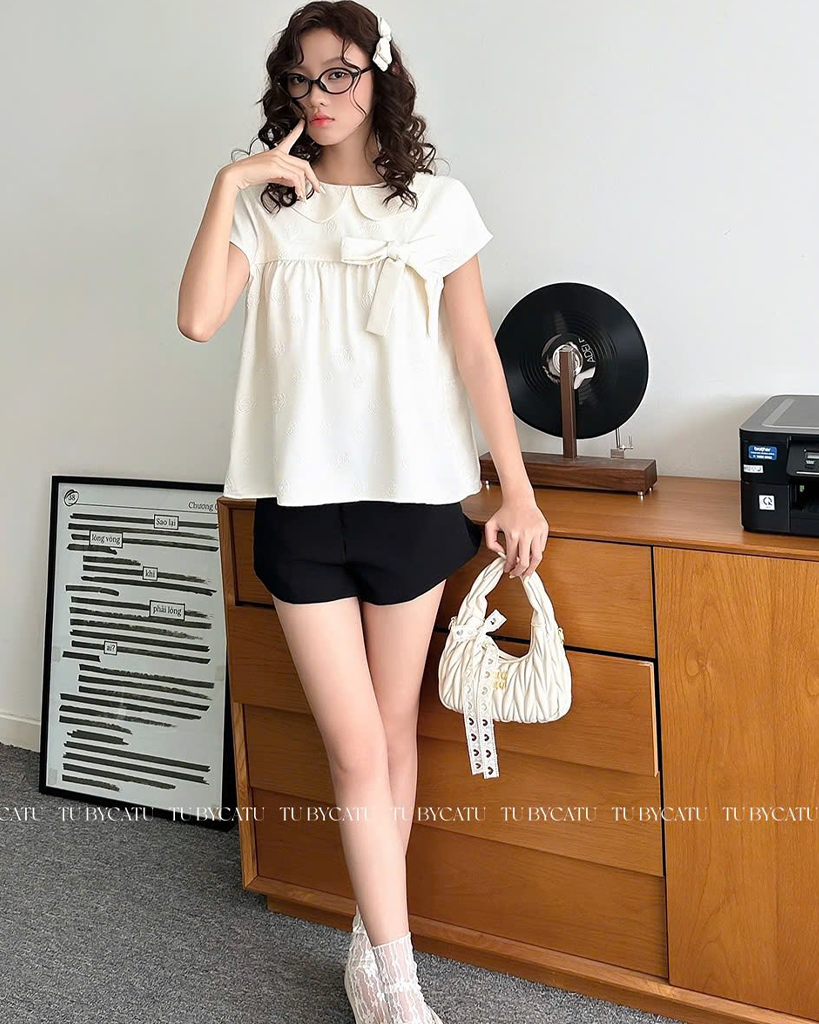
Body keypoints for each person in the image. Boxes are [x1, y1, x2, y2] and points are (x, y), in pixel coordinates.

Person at [178, 2, 550, 1020]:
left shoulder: (438, 207)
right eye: (300, 79)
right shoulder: (268, 209)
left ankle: (370, 950)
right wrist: (227, 185)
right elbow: (198, 318)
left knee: (391, 738)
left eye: (338, 73)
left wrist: (517, 489)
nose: (320, 96)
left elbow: (477, 354)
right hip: (301, 504)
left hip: (414, 500)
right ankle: (401, 981)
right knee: (350, 747)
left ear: (380, 75)